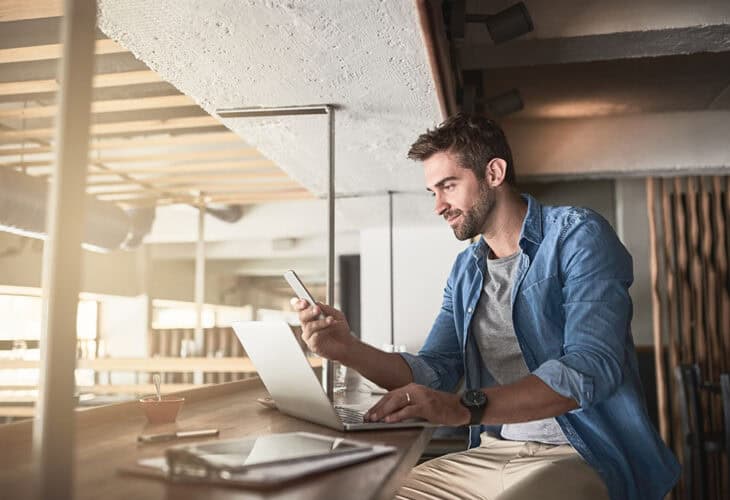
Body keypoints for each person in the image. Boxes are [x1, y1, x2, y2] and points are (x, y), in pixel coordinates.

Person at [293, 113, 679, 500]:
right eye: (433, 192)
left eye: (448, 186)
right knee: (368, 493)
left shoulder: (578, 235)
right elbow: (436, 371)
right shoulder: (466, 270)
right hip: (491, 452)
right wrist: (347, 349)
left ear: (493, 173)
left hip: (580, 452)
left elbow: (591, 367)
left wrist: (465, 408)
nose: (438, 206)